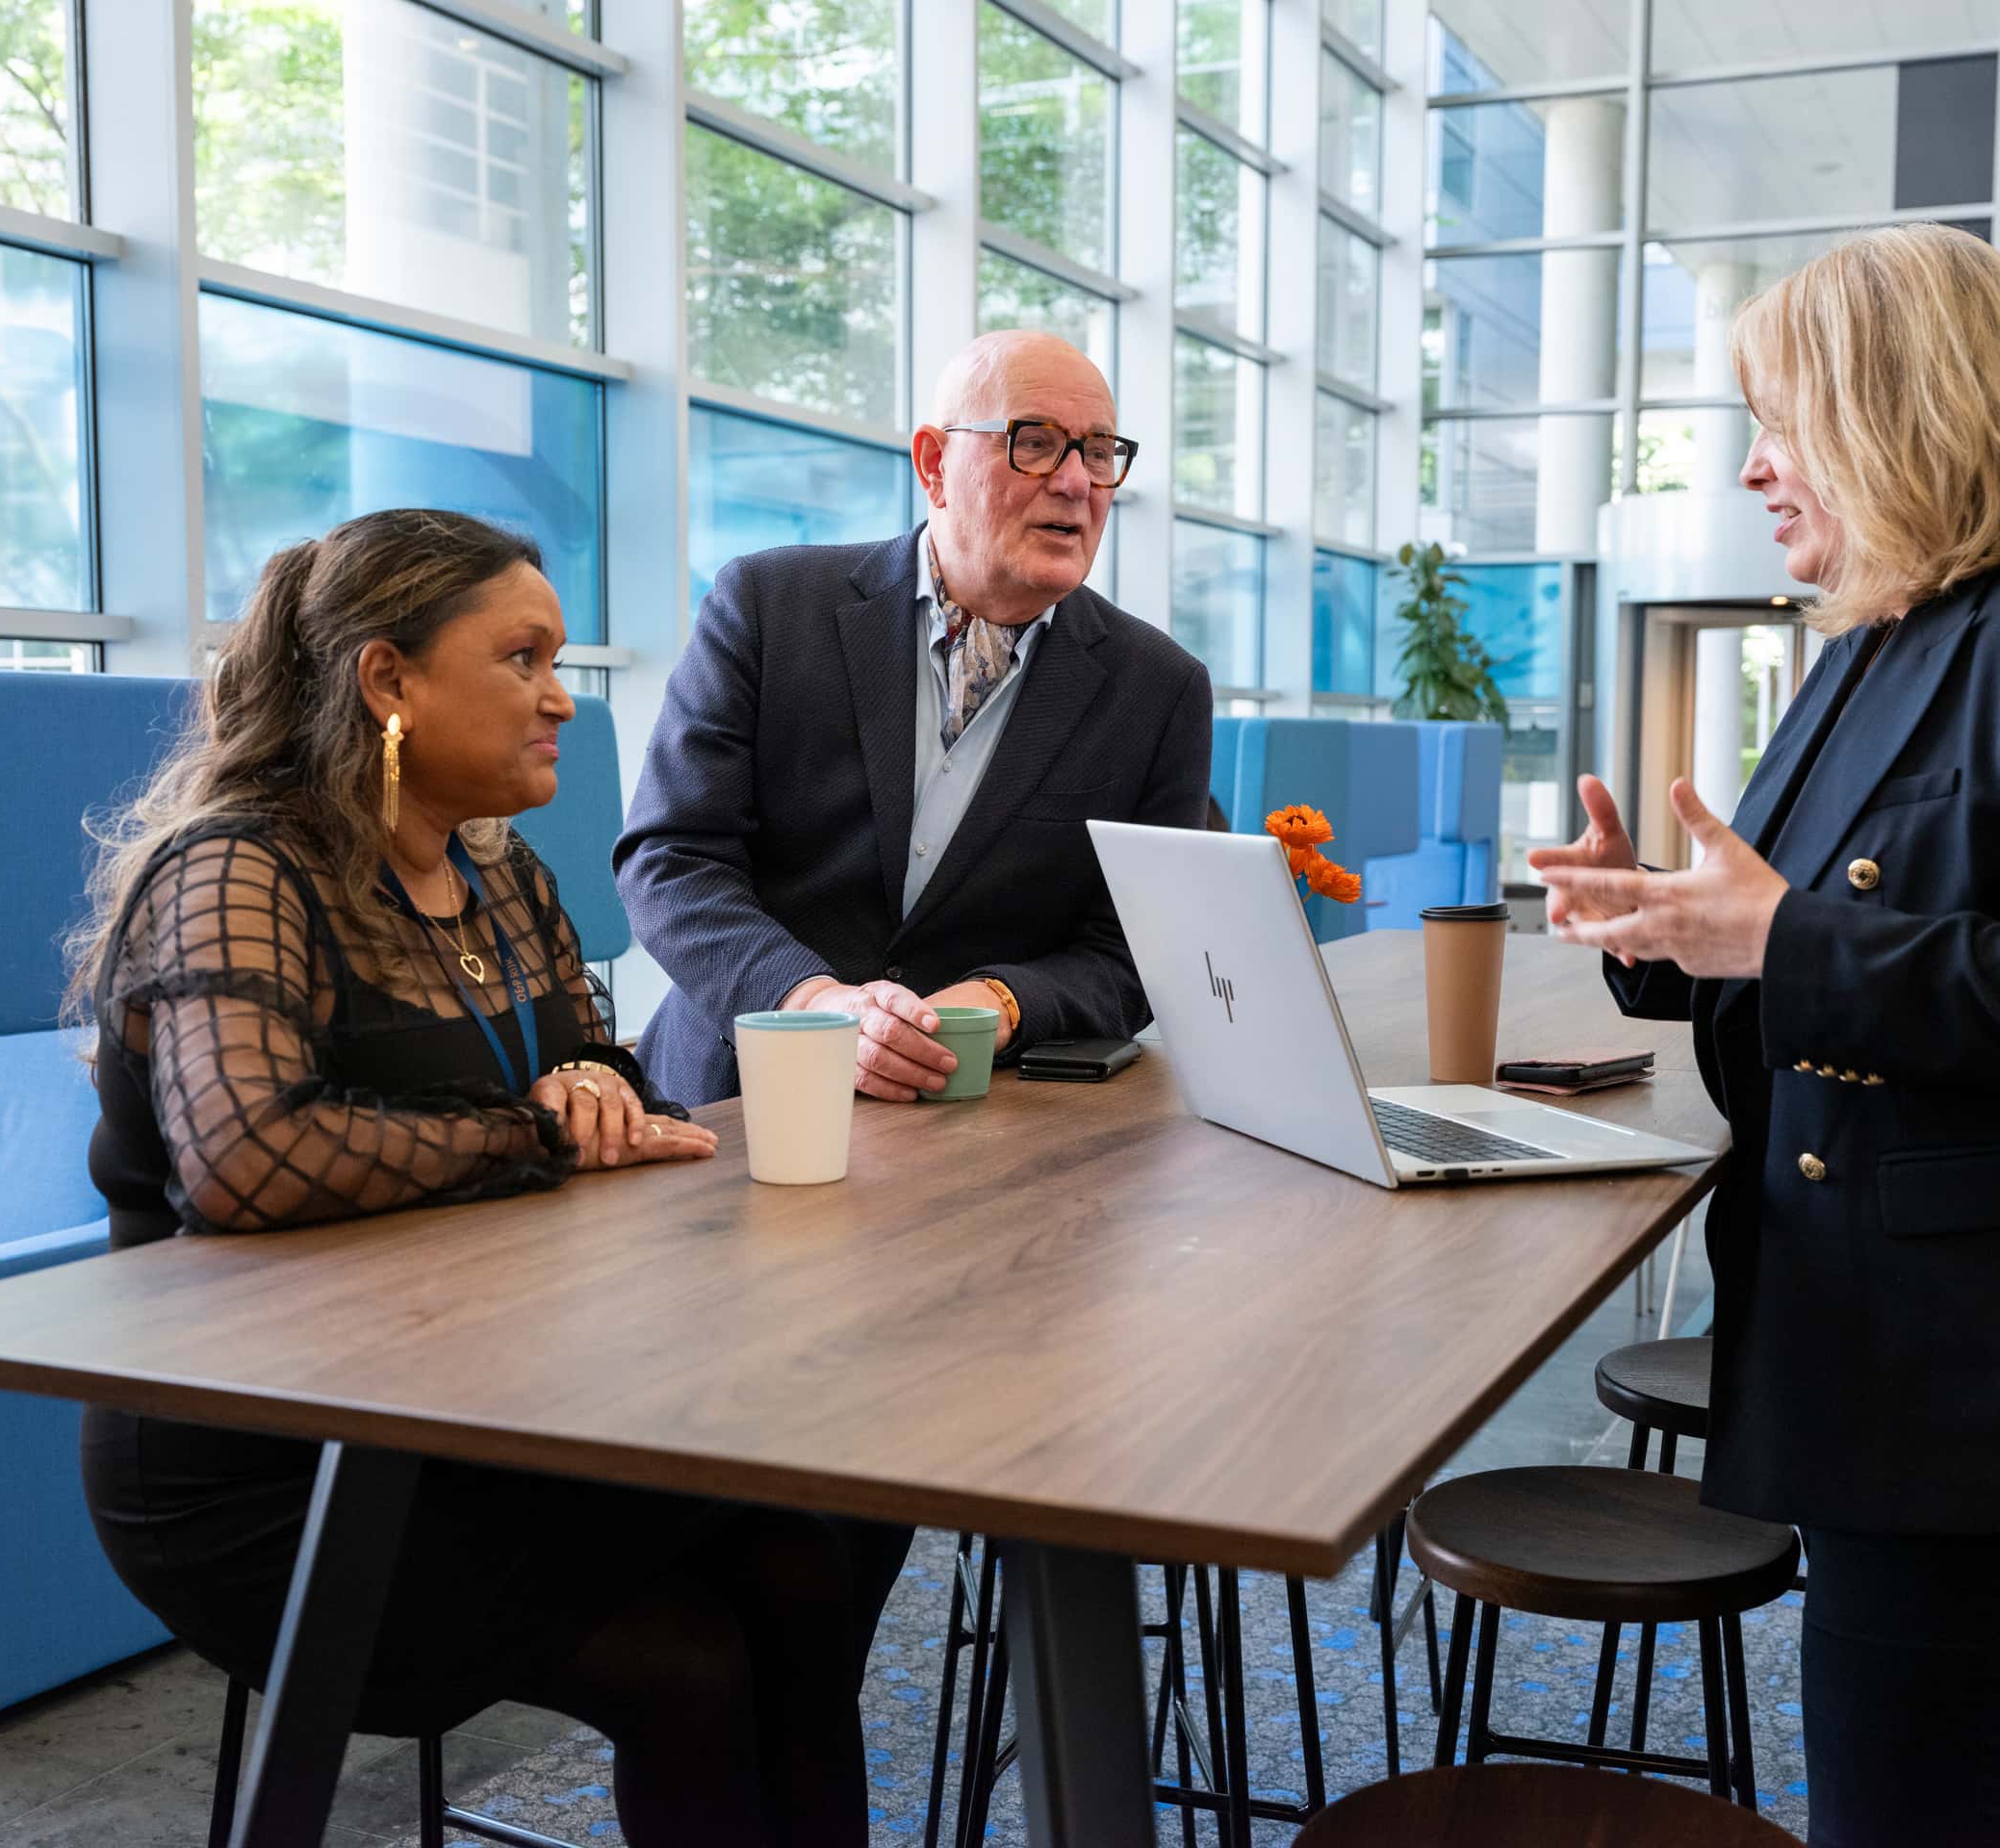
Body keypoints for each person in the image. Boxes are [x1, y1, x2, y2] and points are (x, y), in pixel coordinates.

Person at [1531, 223, 2000, 1848]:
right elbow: (1800, 933)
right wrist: (1659, 928)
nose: (1750, 471)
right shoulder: (1878, 639)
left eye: (1779, 422)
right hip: (1897, 1360)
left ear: (1901, 411)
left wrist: (1778, 935)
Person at [67, 509, 865, 1845]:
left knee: (809, 1561)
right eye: (523, 657)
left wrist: (598, 1090)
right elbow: (245, 1161)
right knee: (694, 1666)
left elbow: (610, 1072)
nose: (563, 696)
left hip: (471, 1402)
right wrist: (536, 1131)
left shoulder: (496, 873)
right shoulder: (237, 865)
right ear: (389, 680)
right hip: (265, 1458)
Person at [615, 330, 1213, 1681]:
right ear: (935, 461)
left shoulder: (1159, 691)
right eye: (1036, 444)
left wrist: (1005, 1000)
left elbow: (1132, 948)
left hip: (952, 1185)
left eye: (1101, 454)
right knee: (677, 1567)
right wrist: (811, 998)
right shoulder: (769, 606)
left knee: (819, 1575)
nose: (1077, 483)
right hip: (720, 1137)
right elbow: (670, 858)